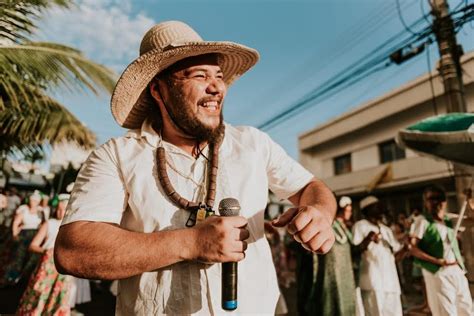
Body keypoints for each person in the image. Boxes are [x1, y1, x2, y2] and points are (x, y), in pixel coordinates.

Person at [54, 21, 336, 315]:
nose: (216, 87)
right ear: (159, 90)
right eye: (199, 75)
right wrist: (191, 242)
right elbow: (72, 251)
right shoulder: (116, 156)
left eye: (218, 76)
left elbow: (311, 188)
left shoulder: (253, 143)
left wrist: (319, 213)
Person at [409, 185, 473, 316]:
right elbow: (412, 248)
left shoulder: (449, 220)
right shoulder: (422, 222)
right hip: (438, 273)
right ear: (425, 202)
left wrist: (470, 201)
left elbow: (472, 220)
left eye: (439, 199)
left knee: (467, 310)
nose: (435, 202)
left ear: (445, 201)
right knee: (447, 312)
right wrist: (435, 261)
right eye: (431, 199)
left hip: (457, 271)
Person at [17, 193, 74, 315]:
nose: (60, 212)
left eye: (63, 209)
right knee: (39, 295)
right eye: (58, 209)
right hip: (47, 267)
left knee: (58, 298)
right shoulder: (50, 223)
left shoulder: (73, 227)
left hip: (63, 269)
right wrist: (47, 251)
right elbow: (33, 246)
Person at [352, 196, 405, 316]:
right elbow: (354, 251)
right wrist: (368, 239)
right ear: (367, 210)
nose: (380, 210)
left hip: (391, 283)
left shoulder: (386, 230)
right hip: (373, 283)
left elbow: (396, 256)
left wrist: (407, 248)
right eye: (376, 207)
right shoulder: (360, 226)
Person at [306, 195, 357, 315]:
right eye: (346, 210)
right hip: (331, 270)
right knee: (331, 302)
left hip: (346, 271)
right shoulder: (328, 225)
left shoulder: (346, 227)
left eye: (350, 210)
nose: (349, 213)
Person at [1, 191, 43, 286]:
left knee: (30, 259)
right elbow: (16, 223)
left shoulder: (41, 212)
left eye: (35, 201)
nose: (33, 202)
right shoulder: (24, 209)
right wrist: (15, 234)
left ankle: (22, 279)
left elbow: (43, 224)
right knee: (18, 257)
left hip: (35, 236)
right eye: (32, 200)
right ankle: (10, 278)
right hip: (24, 235)